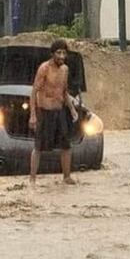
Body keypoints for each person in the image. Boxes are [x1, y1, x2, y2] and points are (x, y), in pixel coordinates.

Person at [29, 39, 79, 186]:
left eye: (64, 53)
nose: (61, 56)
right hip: (44, 112)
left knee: (66, 145)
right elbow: (34, 92)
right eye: (59, 53)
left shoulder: (65, 70)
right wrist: (33, 115)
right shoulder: (44, 68)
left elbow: (64, 92)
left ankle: (66, 177)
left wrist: (72, 109)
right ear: (52, 54)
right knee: (38, 146)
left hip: (59, 111)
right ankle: (32, 179)